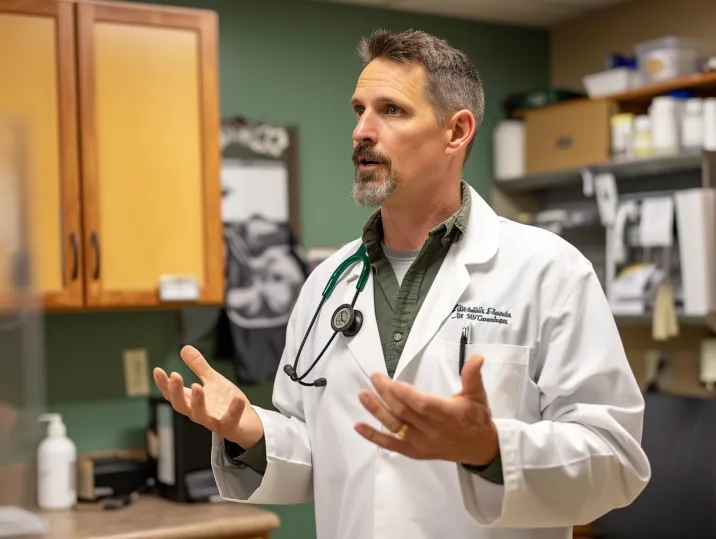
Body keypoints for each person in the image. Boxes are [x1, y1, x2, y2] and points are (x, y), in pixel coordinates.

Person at [154, 29, 651, 539]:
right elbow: (322, 451)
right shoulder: (327, 283)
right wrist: (251, 432)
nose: (361, 132)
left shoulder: (549, 271)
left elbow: (615, 460)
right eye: (359, 110)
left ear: (456, 132)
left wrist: (492, 449)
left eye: (391, 110)